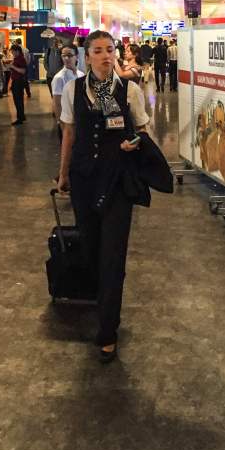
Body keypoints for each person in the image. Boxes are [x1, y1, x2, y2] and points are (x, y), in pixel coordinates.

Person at [57, 31, 149, 363]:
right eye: (98, 51)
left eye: (110, 50)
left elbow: (142, 132)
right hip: (84, 180)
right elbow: (69, 132)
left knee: (113, 256)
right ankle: (100, 303)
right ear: (87, 56)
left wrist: (132, 144)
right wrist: (63, 173)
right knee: (92, 250)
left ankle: (108, 329)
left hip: (117, 182)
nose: (105, 56)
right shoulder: (73, 90)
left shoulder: (129, 90)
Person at [51, 45, 83, 140]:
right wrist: (62, 126)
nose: (66, 58)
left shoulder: (81, 75)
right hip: (67, 122)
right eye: (63, 55)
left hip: (79, 120)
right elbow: (57, 104)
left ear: (76, 56)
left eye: (69, 55)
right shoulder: (59, 78)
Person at [9, 43, 28, 126]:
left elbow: (23, 71)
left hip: (19, 82)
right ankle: (21, 116)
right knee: (18, 100)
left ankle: (20, 118)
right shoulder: (17, 58)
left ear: (17, 51)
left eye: (13, 52)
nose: (12, 53)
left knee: (18, 100)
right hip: (16, 81)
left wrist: (13, 67)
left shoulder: (21, 59)